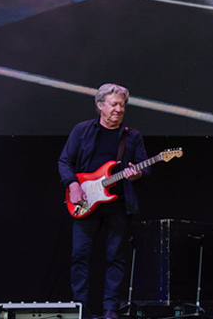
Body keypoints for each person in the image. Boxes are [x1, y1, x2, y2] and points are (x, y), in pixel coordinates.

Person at [59, 84, 147, 319]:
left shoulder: (132, 136)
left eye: (122, 105)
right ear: (100, 105)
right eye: (114, 104)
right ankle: (79, 307)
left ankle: (110, 309)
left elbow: (144, 168)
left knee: (116, 257)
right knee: (80, 255)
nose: (119, 109)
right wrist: (73, 185)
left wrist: (137, 173)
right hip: (85, 201)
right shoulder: (82, 130)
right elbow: (65, 161)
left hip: (118, 204)